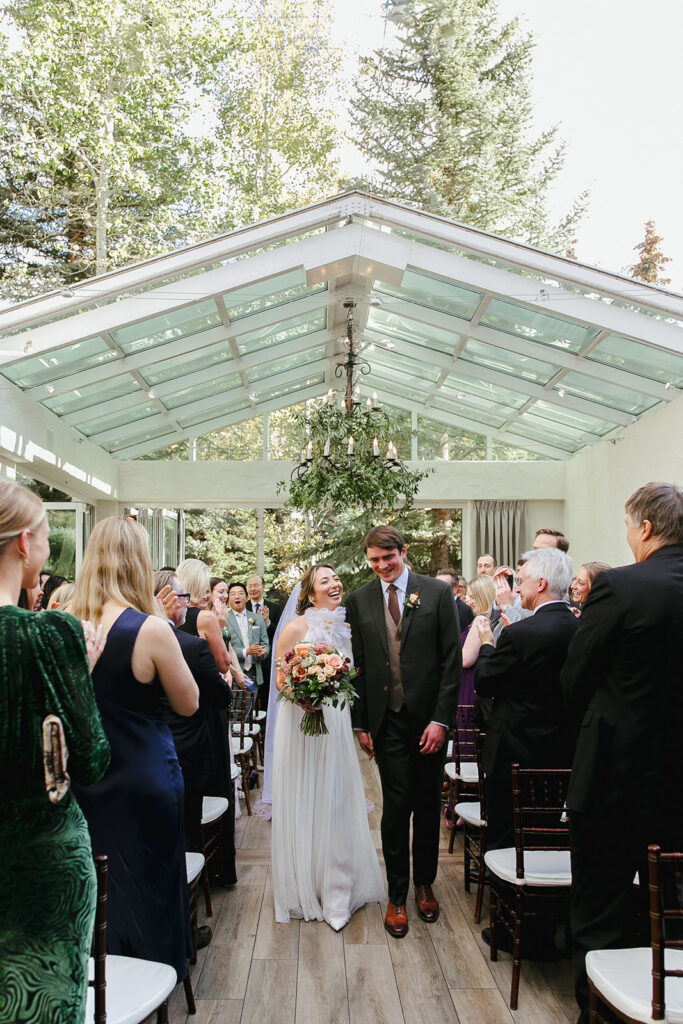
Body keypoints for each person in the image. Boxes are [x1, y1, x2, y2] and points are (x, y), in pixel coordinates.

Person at [561, 482, 683, 1024]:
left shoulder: (621, 587)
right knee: (675, 904)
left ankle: (599, 1010)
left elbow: (575, 678)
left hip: (616, 773)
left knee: (600, 902)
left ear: (646, 529)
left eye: (629, 527)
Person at [0, 481, 110, 1024]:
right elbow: (90, 761)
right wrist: (78, 679)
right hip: (38, 866)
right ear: (25, 542)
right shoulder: (49, 634)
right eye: (47, 533)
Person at [71, 517, 199, 982]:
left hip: (87, 779)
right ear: (138, 563)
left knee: (97, 883)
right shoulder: (151, 629)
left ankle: (102, 982)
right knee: (152, 881)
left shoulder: (65, 624)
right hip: (145, 775)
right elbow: (189, 704)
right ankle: (155, 979)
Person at [346, 526, 462, 938]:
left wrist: (441, 720)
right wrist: (360, 721)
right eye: (374, 560)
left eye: (387, 558)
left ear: (403, 551)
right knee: (395, 807)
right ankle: (397, 894)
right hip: (387, 720)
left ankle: (424, 884)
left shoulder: (436, 593)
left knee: (429, 804)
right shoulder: (359, 599)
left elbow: (451, 661)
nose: (381, 567)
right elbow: (358, 665)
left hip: (429, 720)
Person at [271, 563, 385, 930]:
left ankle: (338, 890)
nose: (335, 583)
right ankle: (306, 884)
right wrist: (302, 697)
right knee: (305, 797)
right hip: (300, 724)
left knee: (336, 799)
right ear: (309, 592)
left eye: (337, 578)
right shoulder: (294, 628)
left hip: (335, 721)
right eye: (326, 580)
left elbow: (353, 675)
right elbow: (279, 678)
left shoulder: (345, 629)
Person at [475, 547, 579, 854]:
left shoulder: (520, 633)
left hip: (515, 750)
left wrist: (486, 646)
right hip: (564, 748)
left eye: (521, 581)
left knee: (506, 833)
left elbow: (485, 682)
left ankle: (504, 894)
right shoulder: (582, 628)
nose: (517, 587)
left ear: (542, 584)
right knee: (551, 830)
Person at [226, 582, 269, 688]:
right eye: (233, 594)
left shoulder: (257, 618)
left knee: (251, 704)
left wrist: (263, 652)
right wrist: (245, 652)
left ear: (246, 598)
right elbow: (223, 648)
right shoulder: (224, 619)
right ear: (228, 599)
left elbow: (266, 643)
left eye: (240, 593)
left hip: (255, 672)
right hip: (233, 673)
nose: (237, 596)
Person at [435, 566, 474, 631]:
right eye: (436, 585)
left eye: (442, 585)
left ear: (455, 588)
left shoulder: (465, 610)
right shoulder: (430, 607)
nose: (438, 589)